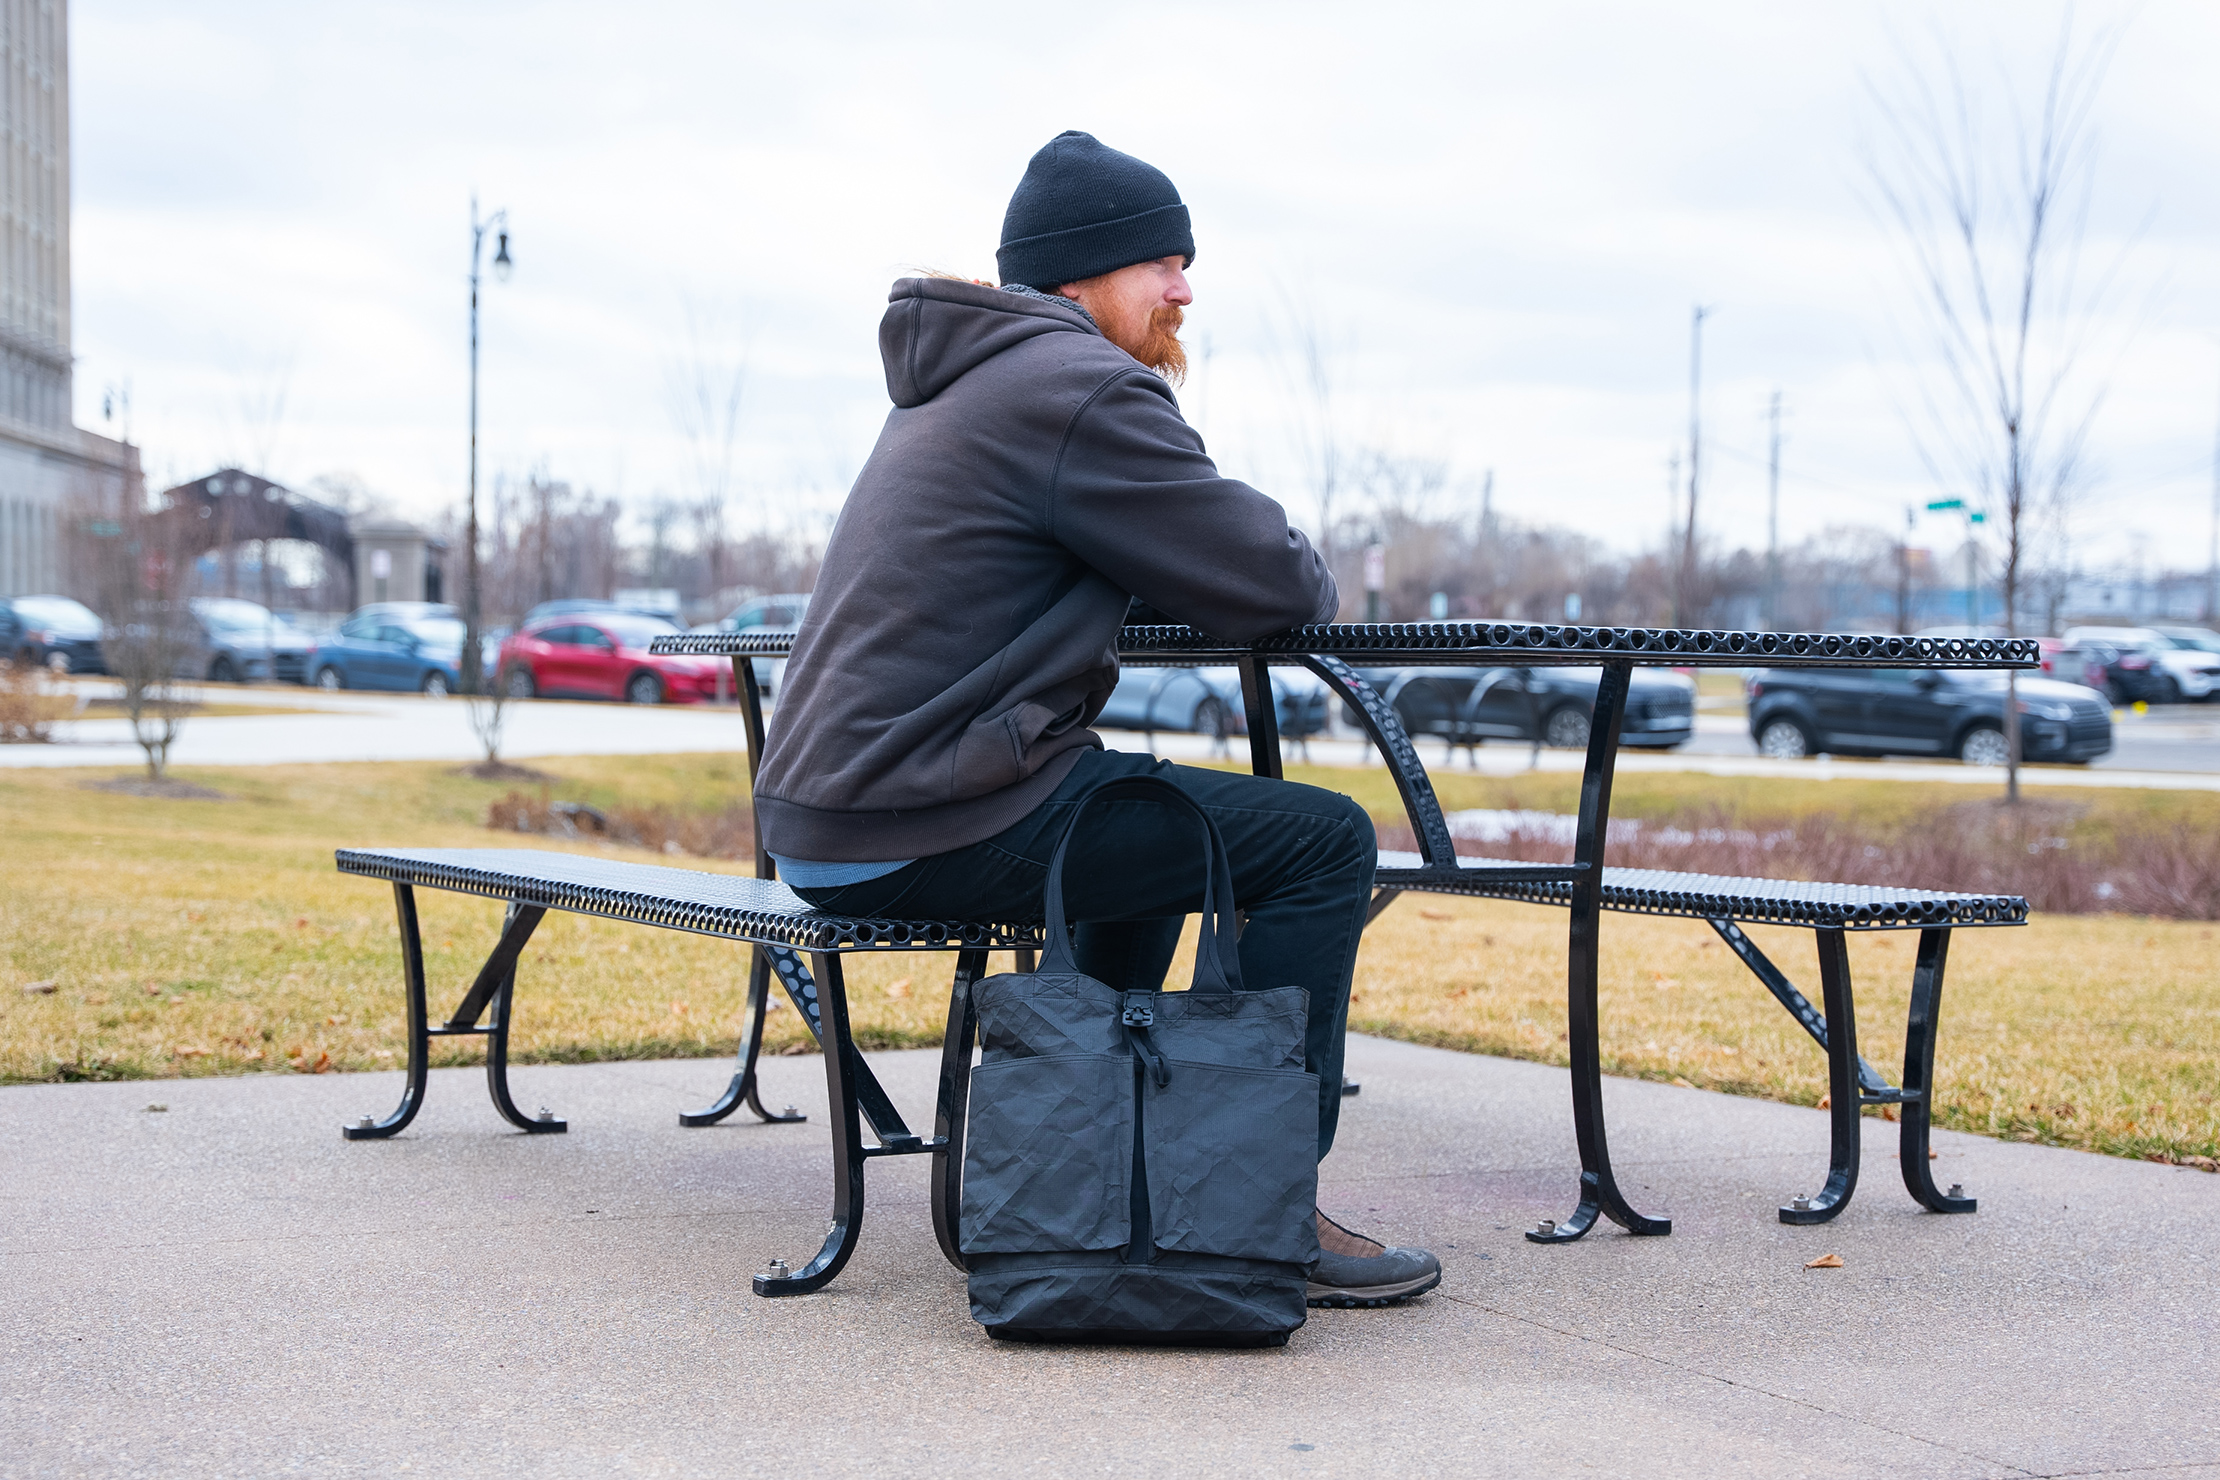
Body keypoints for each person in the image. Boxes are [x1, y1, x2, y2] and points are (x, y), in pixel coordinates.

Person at [755, 130, 1440, 1308]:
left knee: (1142, 819)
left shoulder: (969, 377)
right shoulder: (1077, 386)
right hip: (925, 809)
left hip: (838, 813)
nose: (1184, 289)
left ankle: (1115, 1181)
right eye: (1162, 263)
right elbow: (1273, 579)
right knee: (1320, 839)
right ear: (1083, 275)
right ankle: (1262, 1204)